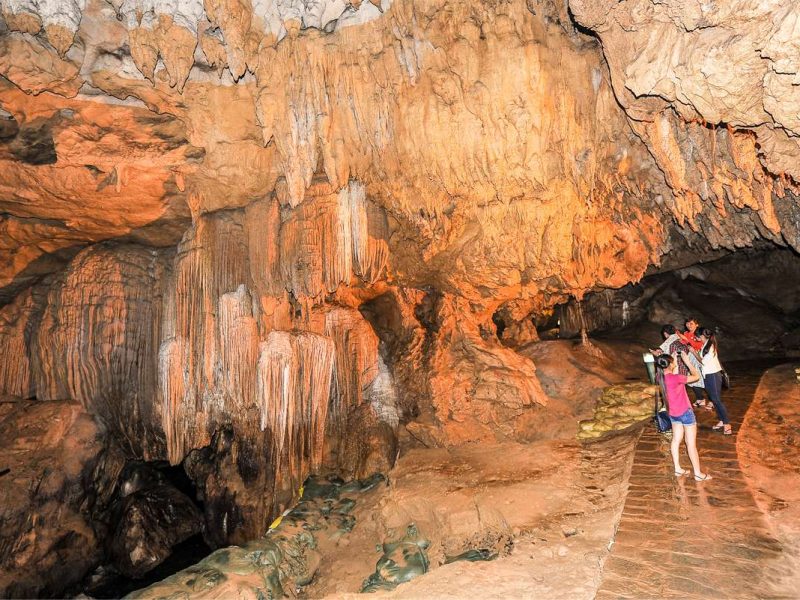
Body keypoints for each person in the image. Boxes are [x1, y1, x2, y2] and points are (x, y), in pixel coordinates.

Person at [656, 351, 712, 481]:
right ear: (670, 364)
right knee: (690, 444)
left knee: (676, 440)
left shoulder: (660, 378)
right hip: (685, 413)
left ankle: (678, 469)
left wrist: (673, 361)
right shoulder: (676, 378)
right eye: (673, 362)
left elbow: (672, 378)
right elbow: (696, 376)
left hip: (673, 414)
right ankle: (698, 474)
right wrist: (687, 362)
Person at [697, 327, 732, 435]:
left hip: (713, 376)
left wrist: (693, 352)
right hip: (708, 375)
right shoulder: (706, 345)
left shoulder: (710, 346)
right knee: (713, 399)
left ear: (702, 336)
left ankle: (727, 424)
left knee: (716, 400)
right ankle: (722, 421)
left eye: (697, 336)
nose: (696, 338)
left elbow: (703, 362)